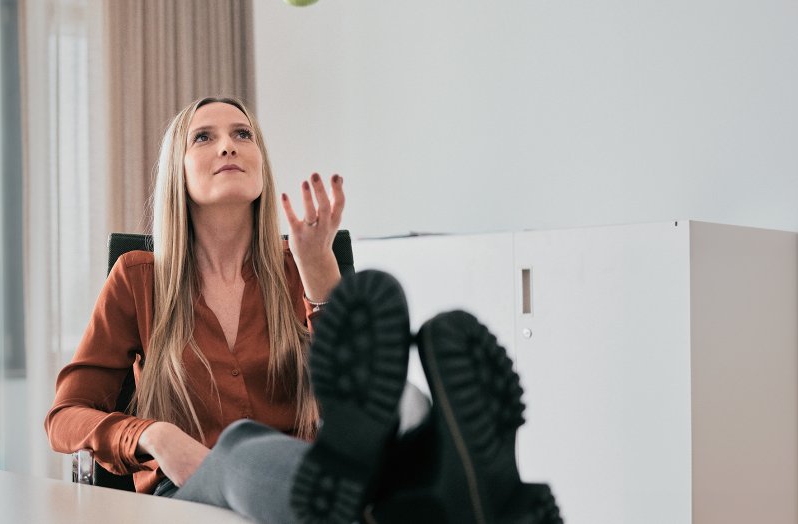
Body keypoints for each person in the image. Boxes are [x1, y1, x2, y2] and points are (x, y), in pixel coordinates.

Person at [46, 97, 560, 523]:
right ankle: (411, 497)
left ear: (262, 166)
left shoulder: (299, 267)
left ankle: (457, 484)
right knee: (241, 447)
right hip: (188, 496)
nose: (229, 144)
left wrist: (318, 269)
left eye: (243, 134)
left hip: (315, 475)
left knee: (404, 400)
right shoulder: (138, 278)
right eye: (203, 137)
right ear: (177, 173)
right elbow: (65, 416)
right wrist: (152, 436)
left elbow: (355, 387)